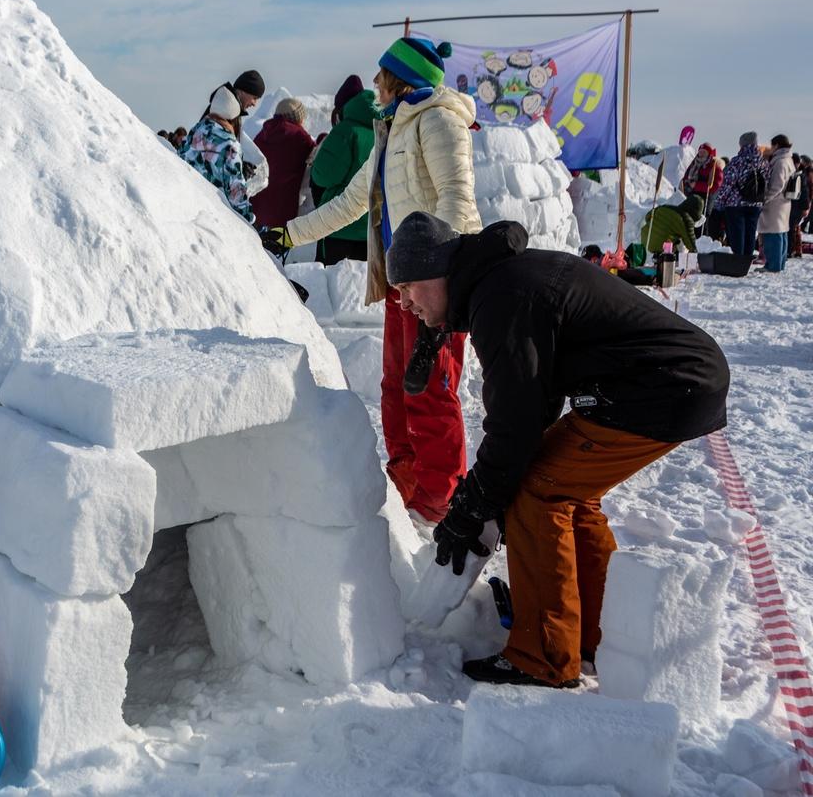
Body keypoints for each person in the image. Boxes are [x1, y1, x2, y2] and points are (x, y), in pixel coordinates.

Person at [386, 212, 729, 688]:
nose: (403, 304)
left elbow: (514, 425)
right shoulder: (498, 283)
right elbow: (535, 406)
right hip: (668, 384)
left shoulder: (500, 298)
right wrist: (484, 494)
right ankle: (598, 635)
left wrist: (474, 504)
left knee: (536, 491)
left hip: (664, 390)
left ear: (438, 271)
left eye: (408, 288)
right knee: (565, 488)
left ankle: (544, 657)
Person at [273, 36, 481, 522]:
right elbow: (352, 202)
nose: (373, 83)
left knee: (431, 388)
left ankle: (438, 499)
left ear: (397, 79)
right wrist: (287, 235)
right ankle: (406, 481)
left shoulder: (439, 120)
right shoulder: (390, 127)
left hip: (435, 285)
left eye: (380, 74)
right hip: (401, 282)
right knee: (397, 385)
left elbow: (456, 199)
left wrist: (441, 282)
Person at [310, 79, 377, 264]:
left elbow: (323, 176)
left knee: (331, 286)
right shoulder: (382, 129)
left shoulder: (345, 131)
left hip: (339, 225)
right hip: (374, 228)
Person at [180, 84, 253, 224]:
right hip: (213, 218)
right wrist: (250, 220)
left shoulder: (195, 131)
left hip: (187, 207)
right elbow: (236, 193)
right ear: (233, 115)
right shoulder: (230, 145)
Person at [249, 98, 314, 230]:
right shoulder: (301, 137)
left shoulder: (261, 134)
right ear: (297, 117)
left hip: (256, 209)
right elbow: (315, 158)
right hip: (282, 213)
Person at [716, 132, 768, 259]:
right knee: (750, 234)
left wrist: (719, 201)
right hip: (756, 203)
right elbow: (767, 181)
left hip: (735, 204)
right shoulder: (763, 162)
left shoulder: (737, 162)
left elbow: (727, 183)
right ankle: (747, 260)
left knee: (737, 234)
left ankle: (738, 260)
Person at [758, 134, 797, 272]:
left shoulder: (780, 162)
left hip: (775, 203)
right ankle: (779, 264)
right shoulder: (788, 160)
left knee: (772, 234)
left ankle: (773, 266)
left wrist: (765, 198)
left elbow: (777, 184)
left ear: (777, 145)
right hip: (784, 202)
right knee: (781, 233)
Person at [634, 195, 703, 262]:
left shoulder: (665, 207)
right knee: (679, 243)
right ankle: (671, 264)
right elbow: (690, 243)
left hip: (645, 239)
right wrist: (695, 257)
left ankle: (658, 258)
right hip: (662, 244)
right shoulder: (686, 219)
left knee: (673, 237)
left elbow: (647, 217)